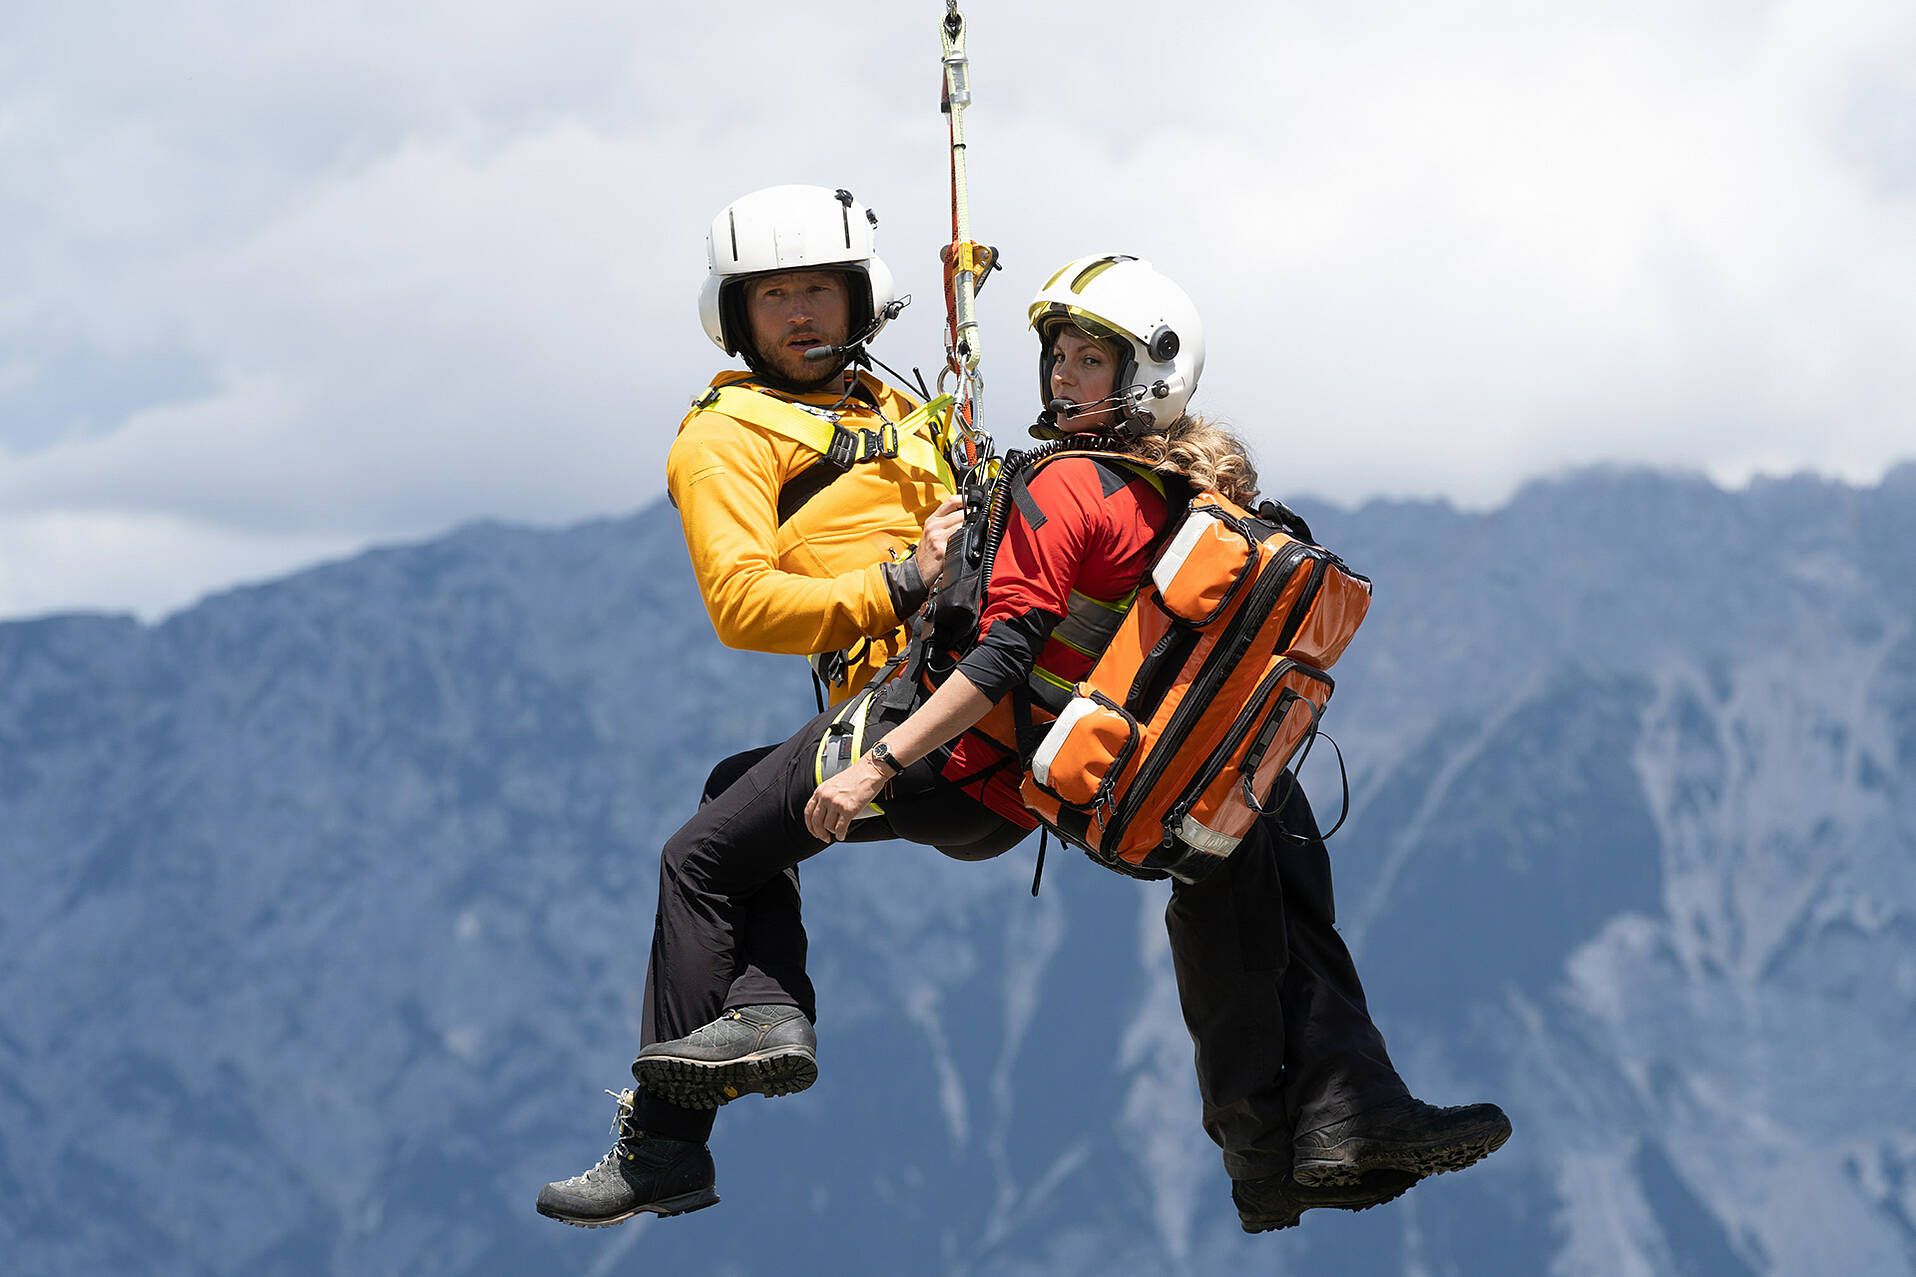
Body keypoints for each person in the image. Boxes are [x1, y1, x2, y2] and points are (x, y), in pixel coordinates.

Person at [535, 252, 1508, 1233]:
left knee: (702, 845)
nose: (1059, 376)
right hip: (1074, 781)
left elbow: (999, 654)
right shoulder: (1189, 504)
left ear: (1141, 375)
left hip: (953, 755)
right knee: (1261, 846)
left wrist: (879, 754)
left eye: (1089, 360)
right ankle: (1309, 1138)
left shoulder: (1061, 485)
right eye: (1058, 356)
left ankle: (682, 1120)